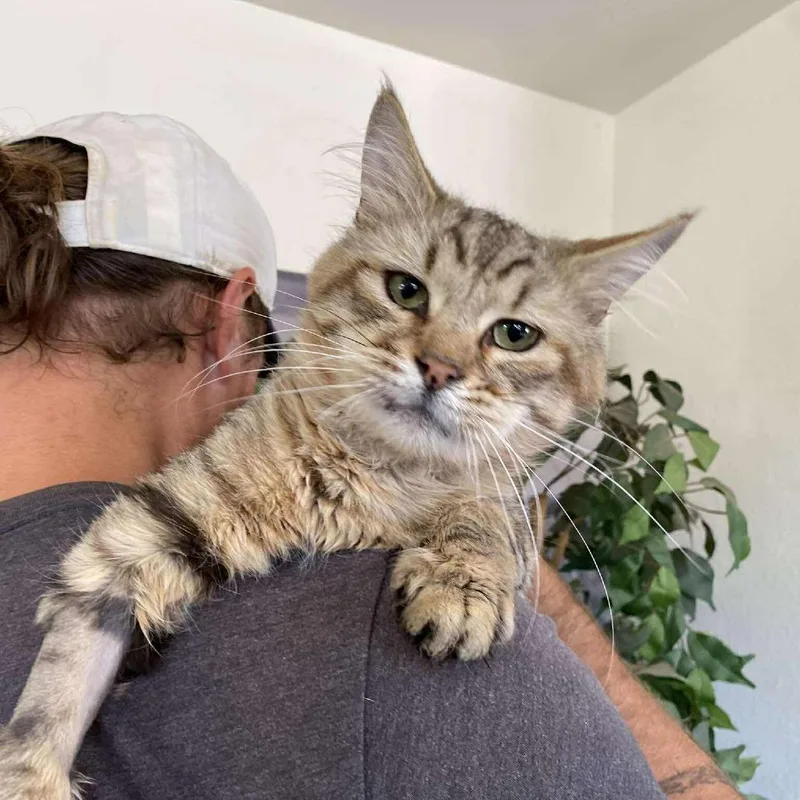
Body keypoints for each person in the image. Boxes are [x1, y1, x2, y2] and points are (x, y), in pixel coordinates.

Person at [0, 112, 736, 799]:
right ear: (229, 323)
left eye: (514, 334)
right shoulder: (393, 670)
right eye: (407, 290)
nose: (440, 362)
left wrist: (480, 528)